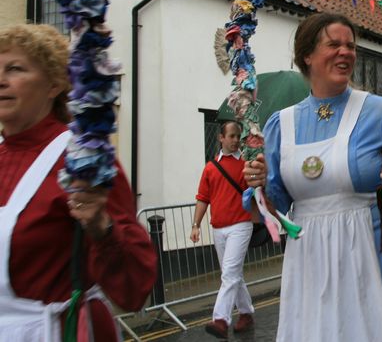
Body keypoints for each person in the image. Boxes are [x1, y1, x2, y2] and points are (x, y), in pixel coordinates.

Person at [246, 13, 382, 342]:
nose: (345, 52)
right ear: (307, 55)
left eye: (350, 45)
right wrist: (259, 187)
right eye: (333, 44)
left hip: (373, 259)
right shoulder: (281, 124)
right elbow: (272, 211)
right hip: (310, 262)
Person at [0, 23, 156, 341]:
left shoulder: (83, 158)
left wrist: (101, 227)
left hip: (54, 331)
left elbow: (134, 289)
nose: (0, 80)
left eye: (14, 69)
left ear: (55, 84)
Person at [190, 120, 255, 338]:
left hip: (241, 225)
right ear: (221, 138)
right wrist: (195, 224)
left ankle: (220, 320)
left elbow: (255, 195)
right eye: (231, 136)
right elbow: (202, 199)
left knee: (229, 273)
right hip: (218, 228)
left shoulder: (247, 165)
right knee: (233, 274)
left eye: (238, 136)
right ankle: (246, 313)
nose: (236, 140)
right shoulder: (210, 168)